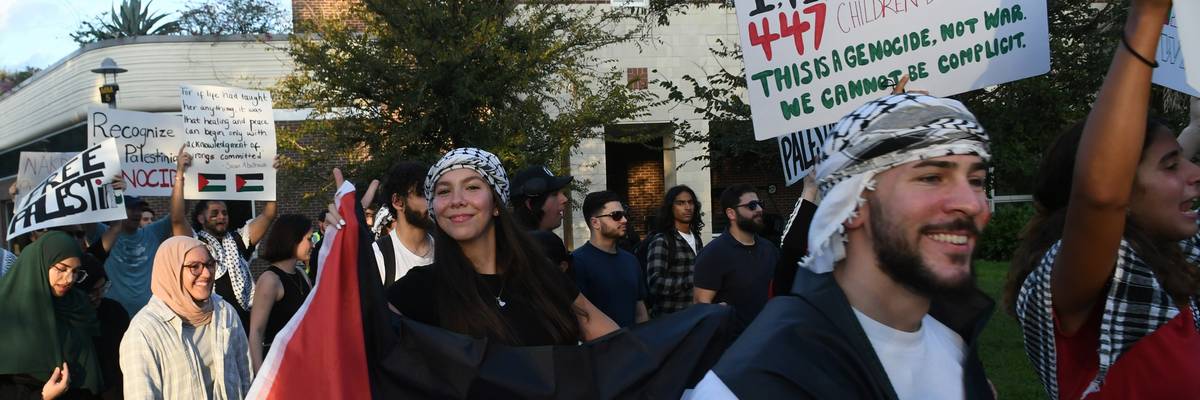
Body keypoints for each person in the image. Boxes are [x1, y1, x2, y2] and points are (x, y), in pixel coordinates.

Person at [692, 89, 996, 399]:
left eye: (976, 181)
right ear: (853, 204)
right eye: (931, 177)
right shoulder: (751, 386)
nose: (971, 204)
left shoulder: (955, 350)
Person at [1009, 2, 1200, 398]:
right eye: (1171, 166)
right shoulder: (1078, 285)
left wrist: (1197, 126)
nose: (1195, 174)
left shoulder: (1173, 257)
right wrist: (1146, 18)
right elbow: (1100, 194)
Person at [387, 148, 617, 346]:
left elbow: (619, 347)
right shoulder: (418, 289)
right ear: (434, 208)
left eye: (472, 187)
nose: (456, 200)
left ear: (497, 205)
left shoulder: (543, 277)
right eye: (444, 191)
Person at [120, 236, 251, 399]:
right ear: (171, 271)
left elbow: (246, 378)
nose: (206, 274)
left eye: (210, 264)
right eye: (194, 266)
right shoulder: (144, 332)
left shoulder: (225, 313)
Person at [0, 232, 103, 399]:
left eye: (75, 271)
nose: (69, 279)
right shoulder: (6, 312)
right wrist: (43, 396)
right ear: (40, 264)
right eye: (61, 269)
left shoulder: (78, 304)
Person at [97, 152, 191, 317]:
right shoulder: (104, 234)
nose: (137, 213)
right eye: (131, 208)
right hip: (114, 319)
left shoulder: (152, 232)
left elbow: (179, 214)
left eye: (139, 208)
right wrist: (105, 188)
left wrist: (183, 175)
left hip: (149, 318)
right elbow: (83, 218)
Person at [693, 184, 779, 325]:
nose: (759, 210)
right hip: (732, 343)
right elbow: (701, 305)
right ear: (731, 213)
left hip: (768, 339)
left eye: (760, 204)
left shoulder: (769, 249)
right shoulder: (713, 254)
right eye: (752, 205)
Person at [573, 191, 649, 328]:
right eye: (616, 216)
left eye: (624, 214)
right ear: (595, 222)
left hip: (634, 345)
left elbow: (640, 312)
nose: (624, 220)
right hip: (599, 347)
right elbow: (581, 319)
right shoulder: (577, 262)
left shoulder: (631, 261)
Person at [249, 214, 315, 373]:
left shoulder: (302, 275)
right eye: (309, 238)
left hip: (304, 362)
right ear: (293, 239)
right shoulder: (270, 280)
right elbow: (256, 332)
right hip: (279, 365)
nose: (312, 244)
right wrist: (260, 377)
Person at [645, 185, 705, 317]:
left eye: (690, 202)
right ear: (670, 207)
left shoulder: (696, 238)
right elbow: (655, 283)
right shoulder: (662, 240)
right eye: (681, 203)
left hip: (696, 315)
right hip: (670, 319)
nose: (687, 207)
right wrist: (694, 279)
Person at [372, 161, 434, 288]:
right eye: (422, 193)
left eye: (434, 193)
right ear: (398, 201)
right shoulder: (379, 256)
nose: (432, 201)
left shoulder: (446, 249)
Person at [78, 254, 130, 400]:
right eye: (92, 291)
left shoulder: (114, 311)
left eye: (103, 288)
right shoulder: (68, 319)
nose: (98, 295)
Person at [510, 165, 573, 271]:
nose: (564, 199)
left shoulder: (552, 245)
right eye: (554, 194)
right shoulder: (515, 254)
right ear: (531, 204)